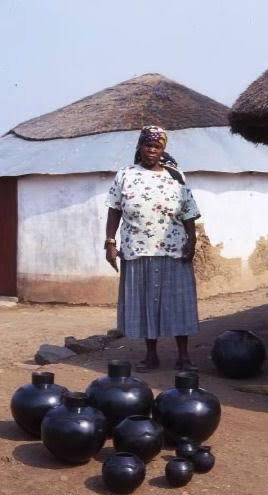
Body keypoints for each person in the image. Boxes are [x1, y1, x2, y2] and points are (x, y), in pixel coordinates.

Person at [104, 125, 201, 372]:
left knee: (178, 302)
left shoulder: (176, 176)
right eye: (147, 145)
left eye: (156, 146)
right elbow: (114, 209)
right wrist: (110, 242)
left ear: (163, 149)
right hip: (138, 250)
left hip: (173, 249)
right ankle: (151, 356)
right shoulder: (125, 175)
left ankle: (183, 357)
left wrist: (192, 240)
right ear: (139, 147)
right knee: (147, 303)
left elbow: (188, 211)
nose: (151, 150)